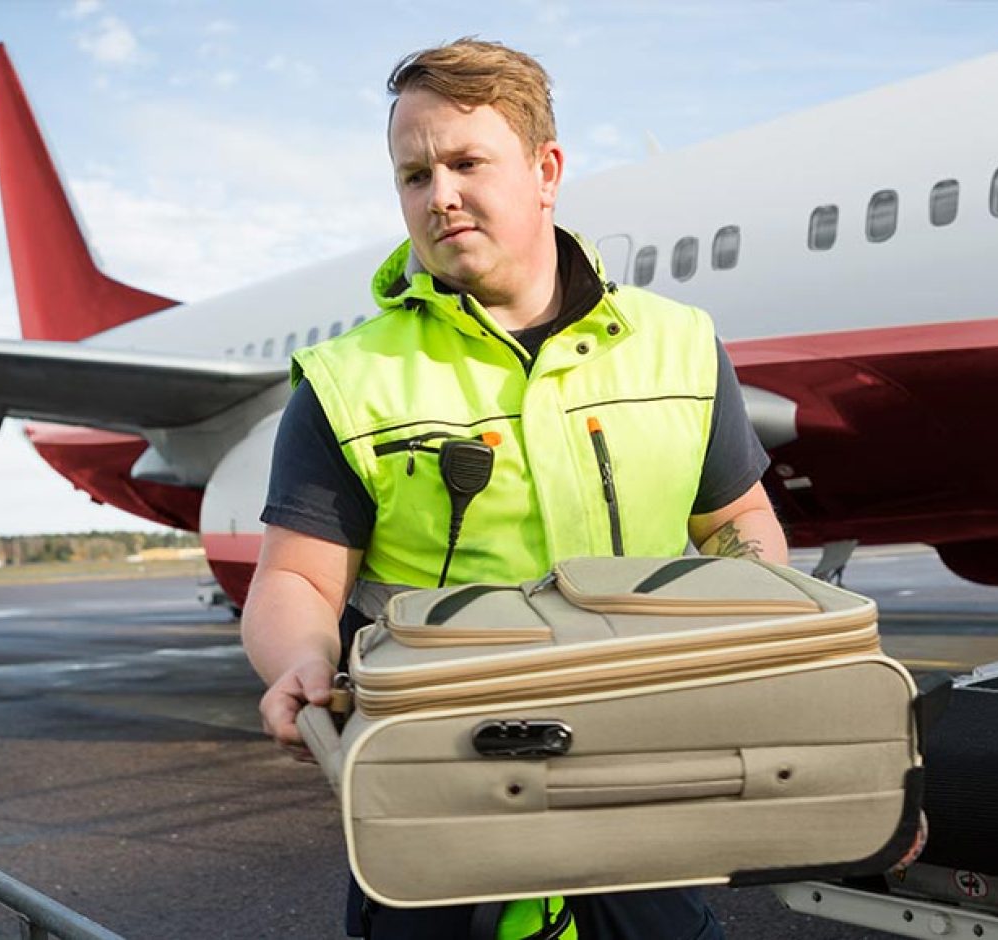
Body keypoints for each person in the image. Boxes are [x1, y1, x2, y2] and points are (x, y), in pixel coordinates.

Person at [240, 38, 788, 939]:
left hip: (640, 788)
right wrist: (297, 661)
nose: (439, 194)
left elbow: (737, 522)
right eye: (414, 176)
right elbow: (298, 579)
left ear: (546, 170)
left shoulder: (681, 346)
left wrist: (763, 629)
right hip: (440, 800)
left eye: (465, 162)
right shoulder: (346, 381)